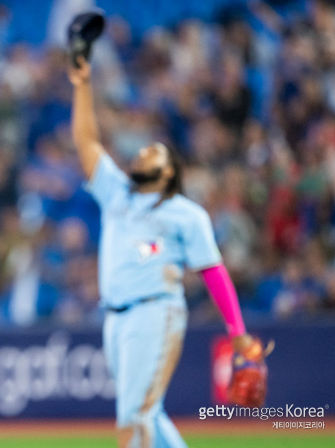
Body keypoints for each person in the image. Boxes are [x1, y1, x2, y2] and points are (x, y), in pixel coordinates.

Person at [68, 57, 256, 447]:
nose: (141, 153)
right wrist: (82, 85)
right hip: (116, 317)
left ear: (169, 170)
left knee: (134, 417)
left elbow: (213, 273)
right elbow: (86, 141)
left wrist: (236, 331)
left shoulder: (186, 215)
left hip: (156, 311)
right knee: (147, 412)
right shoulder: (116, 191)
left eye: (152, 151)